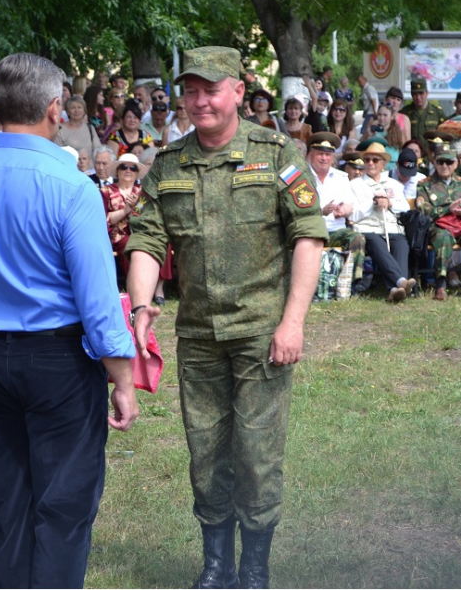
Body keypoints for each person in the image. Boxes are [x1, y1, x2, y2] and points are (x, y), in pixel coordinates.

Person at [0, 52, 138, 589]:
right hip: (57, 361)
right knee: (62, 510)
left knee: (6, 508)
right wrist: (122, 376)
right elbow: (98, 299)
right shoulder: (72, 186)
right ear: (56, 108)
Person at [125, 46, 327, 589]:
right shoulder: (168, 165)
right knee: (206, 452)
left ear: (239, 91)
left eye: (210, 89)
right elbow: (146, 240)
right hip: (198, 335)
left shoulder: (279, 153)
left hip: (262, 333)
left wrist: (294, 322)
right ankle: (217, 565)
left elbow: (308, 235)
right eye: (189, 90)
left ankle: (254, 568)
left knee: (257, 453)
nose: (199, 101)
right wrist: (141, 305)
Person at [416, 143, 461, 300]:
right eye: (440, 162)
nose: (445, 166)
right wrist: (447, 210)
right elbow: (423, 210)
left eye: (449, 162)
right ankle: (440, 286)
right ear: (434, 162)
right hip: (439, 226)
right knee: (443, 238)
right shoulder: (425, 184)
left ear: (456, 163)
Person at [351, 143, 415, 302]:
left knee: (401, 243)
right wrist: (373, 203)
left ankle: (394, 289)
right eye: (367, 160)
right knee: (376, 242)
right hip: (367, 228)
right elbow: (353, 214)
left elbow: (405, 209)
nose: (370, 163)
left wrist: (390, 203)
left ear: (383, 164)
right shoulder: (354, 185)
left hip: (392, 227)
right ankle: (401, 281)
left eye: (375, 159)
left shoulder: (394, 184)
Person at [306, 132, 366, 291]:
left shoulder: (341, 178)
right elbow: (297, 209)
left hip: (334, 231)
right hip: (310, 231)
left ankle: (354, 284)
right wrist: (320, 211)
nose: (324, 158)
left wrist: (344, 210)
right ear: (310, 155)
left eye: (327, 154)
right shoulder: (302, 177)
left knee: (356, 238)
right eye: (320, 154)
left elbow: (349, 204)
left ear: (333, 157)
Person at [400, 78, 446, 149]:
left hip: (431, 155)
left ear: (427, 93)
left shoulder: (437, 112)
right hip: (412, 154)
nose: (418, 97)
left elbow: (445, 134)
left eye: (421, 93)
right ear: (411, 94)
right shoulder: (405, 113)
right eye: (415, 94)